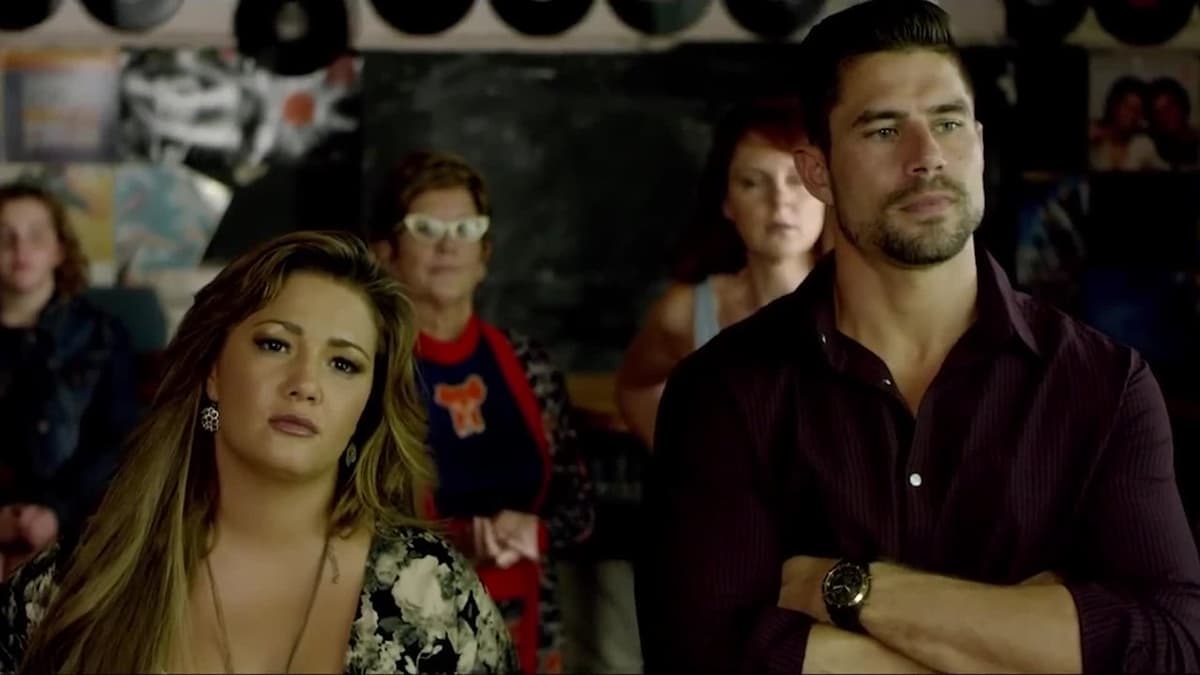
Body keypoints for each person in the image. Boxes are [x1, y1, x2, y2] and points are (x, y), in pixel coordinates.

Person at [635, 1, 1200, 673]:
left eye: (948, 123)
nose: (927, 157)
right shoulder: (723, 392)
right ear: (818, 171)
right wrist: (1025, 637)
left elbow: (1170, 646)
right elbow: (702, 657)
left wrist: (847, 590)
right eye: (883, 130)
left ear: (978, 144)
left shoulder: (1105, 386)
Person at [0, 231, 517, 674]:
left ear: (367, 405)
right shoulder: (79, 582)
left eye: (343, 364)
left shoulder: (433, 594)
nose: (305, 383)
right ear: (213, 371)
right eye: (275, 344)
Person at [369, 151, 594, 674]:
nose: (448, 244)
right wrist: (456, 540)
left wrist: (533, 532)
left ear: (485, 253)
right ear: (386, 251)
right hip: (401, 631)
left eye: (465, 229)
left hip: (527, 628)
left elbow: (580, 508)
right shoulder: (365, 371)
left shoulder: (528, 364)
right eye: (426, 228)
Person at [615, 98, 827, 449]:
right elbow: (636, 388)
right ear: (727, 201)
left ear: (826, 190)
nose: (780, 202)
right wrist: (687, 465)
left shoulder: (866, 303)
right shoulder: (687, 312)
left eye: (796, 179)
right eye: (753, 182)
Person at [0, 182, 137, 579]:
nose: (20, 250)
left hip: (76, 520)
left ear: (59, 249)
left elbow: (119, 441)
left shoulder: (104, 335)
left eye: (35, 235)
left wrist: (57, 513)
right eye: (5, 237)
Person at [1089, 76, 1168, 171]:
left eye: (1137, 110)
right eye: (1127, 107)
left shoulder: (1143, 144)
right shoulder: (1094, 133)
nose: (1131, 115)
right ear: (1114, 105)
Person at [1146, 76, 1200, 169]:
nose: (1165, 116)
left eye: (1169, 108)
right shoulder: (1152, 145)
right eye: (1158, 112)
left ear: (1182, 105)